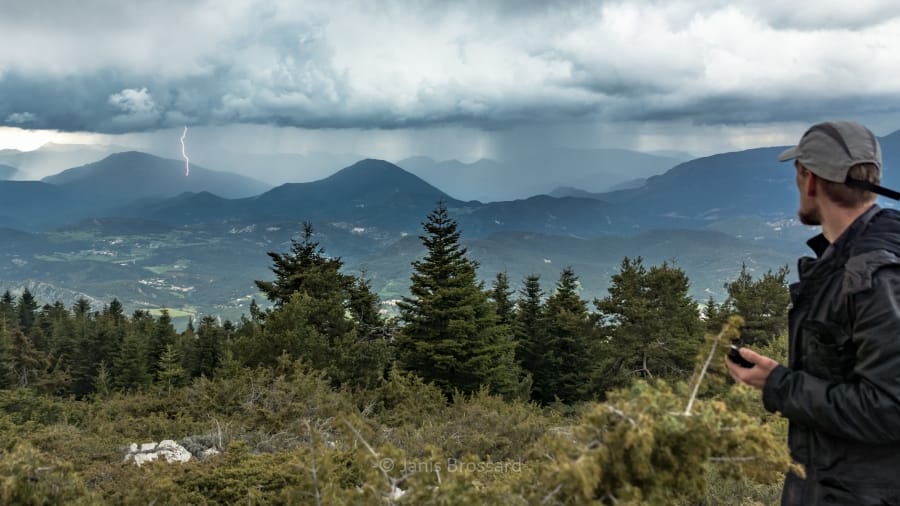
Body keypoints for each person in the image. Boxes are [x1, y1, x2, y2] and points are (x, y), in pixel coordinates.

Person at [726, 120, 900, 505]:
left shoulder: (873, 276)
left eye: (797, 171)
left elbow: (891, 409)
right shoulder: (856, 257)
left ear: (810, 180)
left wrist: (778, 384)